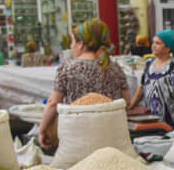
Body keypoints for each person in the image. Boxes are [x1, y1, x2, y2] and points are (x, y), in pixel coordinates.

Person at [38, 18, 128, 147]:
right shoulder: (115, 68)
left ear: (80, 44)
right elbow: (127, 102)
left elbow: (53, 103)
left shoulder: (67, 67)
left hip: (77, 137)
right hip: (110, 138)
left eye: (72, 41)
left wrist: (42, 130)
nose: (71, 46)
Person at [128, 28, 174, 128]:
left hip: (173, 117)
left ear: (167, 48)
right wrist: (131, 106)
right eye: (153, 42)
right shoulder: (149, 64)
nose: (153, 46)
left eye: (158, 43)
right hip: (151, 117)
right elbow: (142, 87)